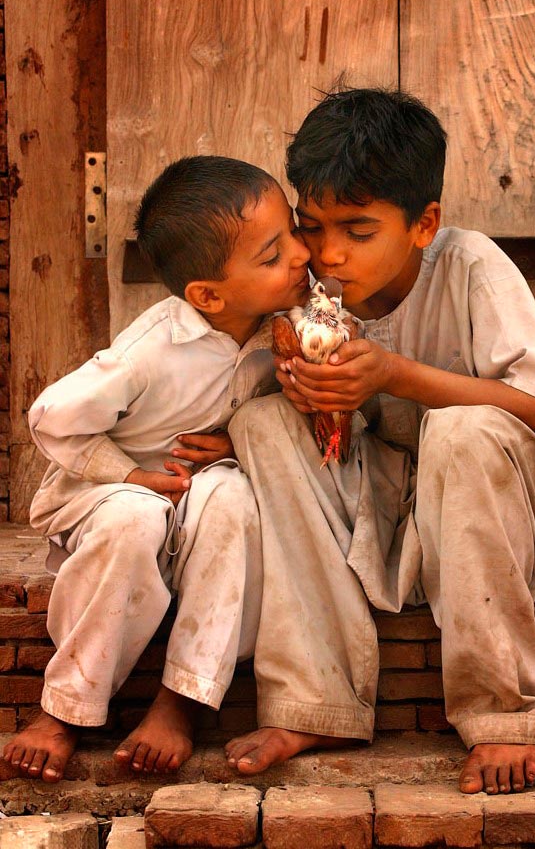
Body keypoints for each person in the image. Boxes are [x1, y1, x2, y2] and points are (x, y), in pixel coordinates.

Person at [224, 88, 535, 795]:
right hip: (396, 507)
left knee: (462, 428)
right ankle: (316, 699)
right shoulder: (309, 294)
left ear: (424, 224)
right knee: (259, 423)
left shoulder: (470, 266)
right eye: (313, 228)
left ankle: (504, 712)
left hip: (509, 502)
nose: (329, 254)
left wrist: (396, 376)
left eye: (357, 231)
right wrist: (312, 398)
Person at [2, 155, 311, 783]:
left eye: (295, 235)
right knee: (137, 518)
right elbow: (51, 417)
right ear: (208, 295)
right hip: (114, 503)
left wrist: (235, 442)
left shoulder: (287, 329)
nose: (303, 256)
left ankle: (182, 699)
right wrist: (128, 474)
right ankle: (64, 710)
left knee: (232, 495)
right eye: (275, 255)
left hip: (199, 504)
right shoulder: (150, 351)